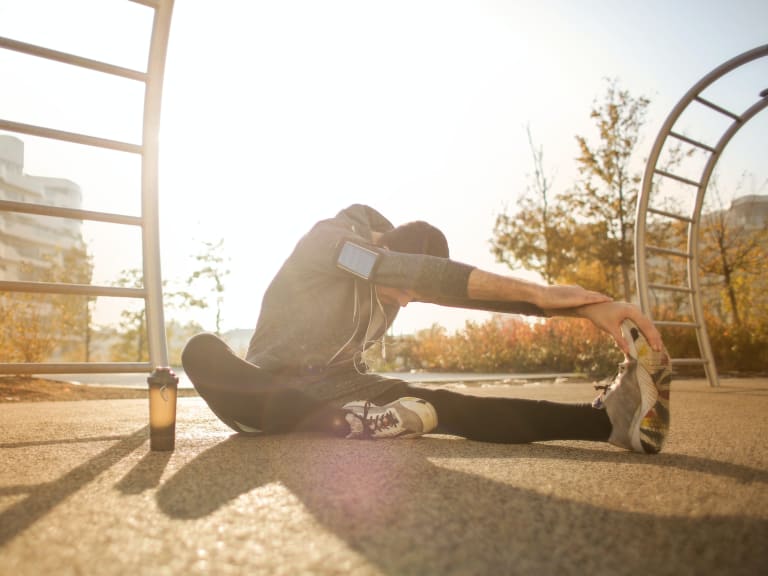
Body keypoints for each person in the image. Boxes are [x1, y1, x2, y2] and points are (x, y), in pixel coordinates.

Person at [182, 204, 671, 454]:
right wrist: (543, 294)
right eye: (408, 289)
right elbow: (400, 273)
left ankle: (607, 423)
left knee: (450, 405)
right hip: (265, 395)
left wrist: (584, 309)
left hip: (346, 390)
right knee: (201, 350)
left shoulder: (396, 270)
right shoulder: (333, 243)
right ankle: (350, 423)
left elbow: (458, 289)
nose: (409, 301)